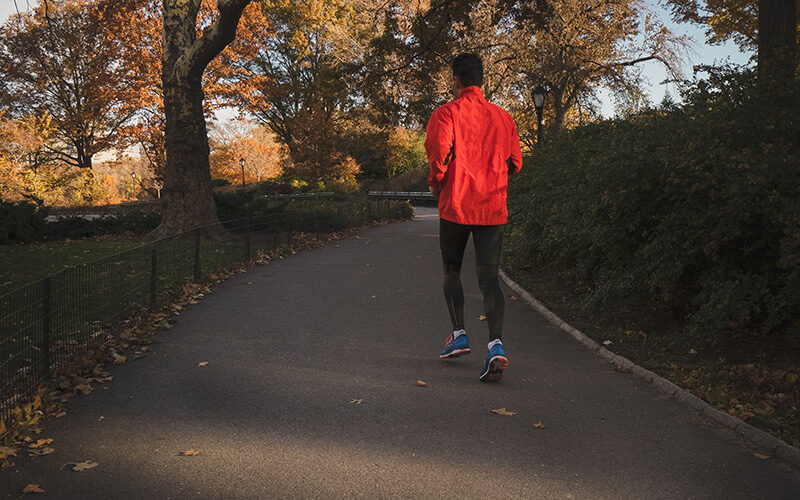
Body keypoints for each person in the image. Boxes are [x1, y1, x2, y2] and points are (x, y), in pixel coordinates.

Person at [425, 52, 523, 382]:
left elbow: (439, 157)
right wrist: (494, 175)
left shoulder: (446, 114)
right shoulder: (503, 118)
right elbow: (515, 162)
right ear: (482, 80)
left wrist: (438, 185)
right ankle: (496, 345)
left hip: (456, 204)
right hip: (492, 208)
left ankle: (459, 334)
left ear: (456, 80)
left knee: (451, 268)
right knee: (489, 278)